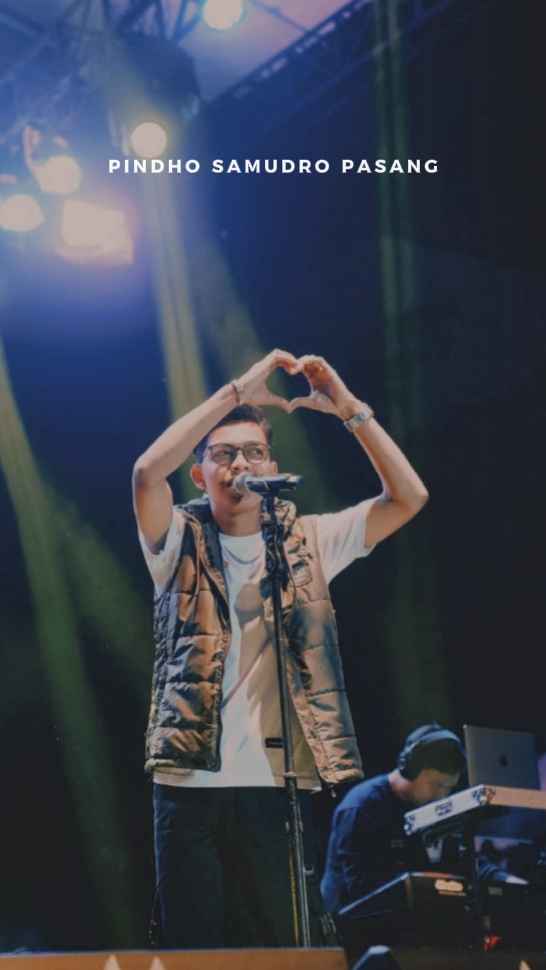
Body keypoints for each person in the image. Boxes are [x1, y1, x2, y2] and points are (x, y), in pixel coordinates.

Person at [132, 349, 429, 948]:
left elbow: (409, 497)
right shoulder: (176, 539)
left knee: (281, 946)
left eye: (253, 452)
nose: (240, 463)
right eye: (223, 454)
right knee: (194, 950)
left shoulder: (308, 541)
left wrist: (348, 408)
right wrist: (237, 391)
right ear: (200, 474)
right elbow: (145, 473)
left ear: (272, 465)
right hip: (189, 784)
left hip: (277, 783)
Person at [320, 723, 523, 922]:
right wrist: (423, 880)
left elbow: (464, 859)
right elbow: (360, 885)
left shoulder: (436, 808)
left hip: (404, 920)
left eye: (448, 787)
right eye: (436, 784)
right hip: (351, 927)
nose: (442, 794)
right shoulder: (363, 807)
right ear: (410, 769)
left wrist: (507, 880)